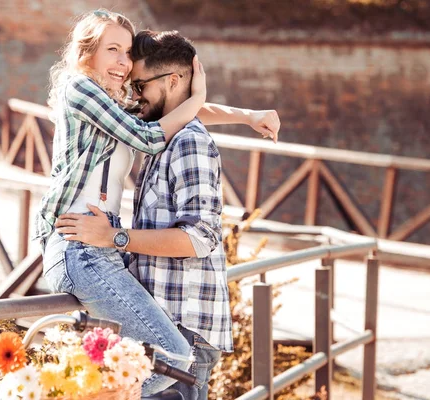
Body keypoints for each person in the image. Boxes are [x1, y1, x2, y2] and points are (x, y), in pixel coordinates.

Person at [34, 9, 279, 396]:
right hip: (79, 242)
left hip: (98, 244)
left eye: (127, 52)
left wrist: (246, 116)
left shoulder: (113, 105)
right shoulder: (79, 88)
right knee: (172, 359)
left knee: (139, 362)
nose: (123, 61)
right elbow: (151, 135)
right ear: (86, 53)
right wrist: (196, 94)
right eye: (111, 49)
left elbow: (174, 114)